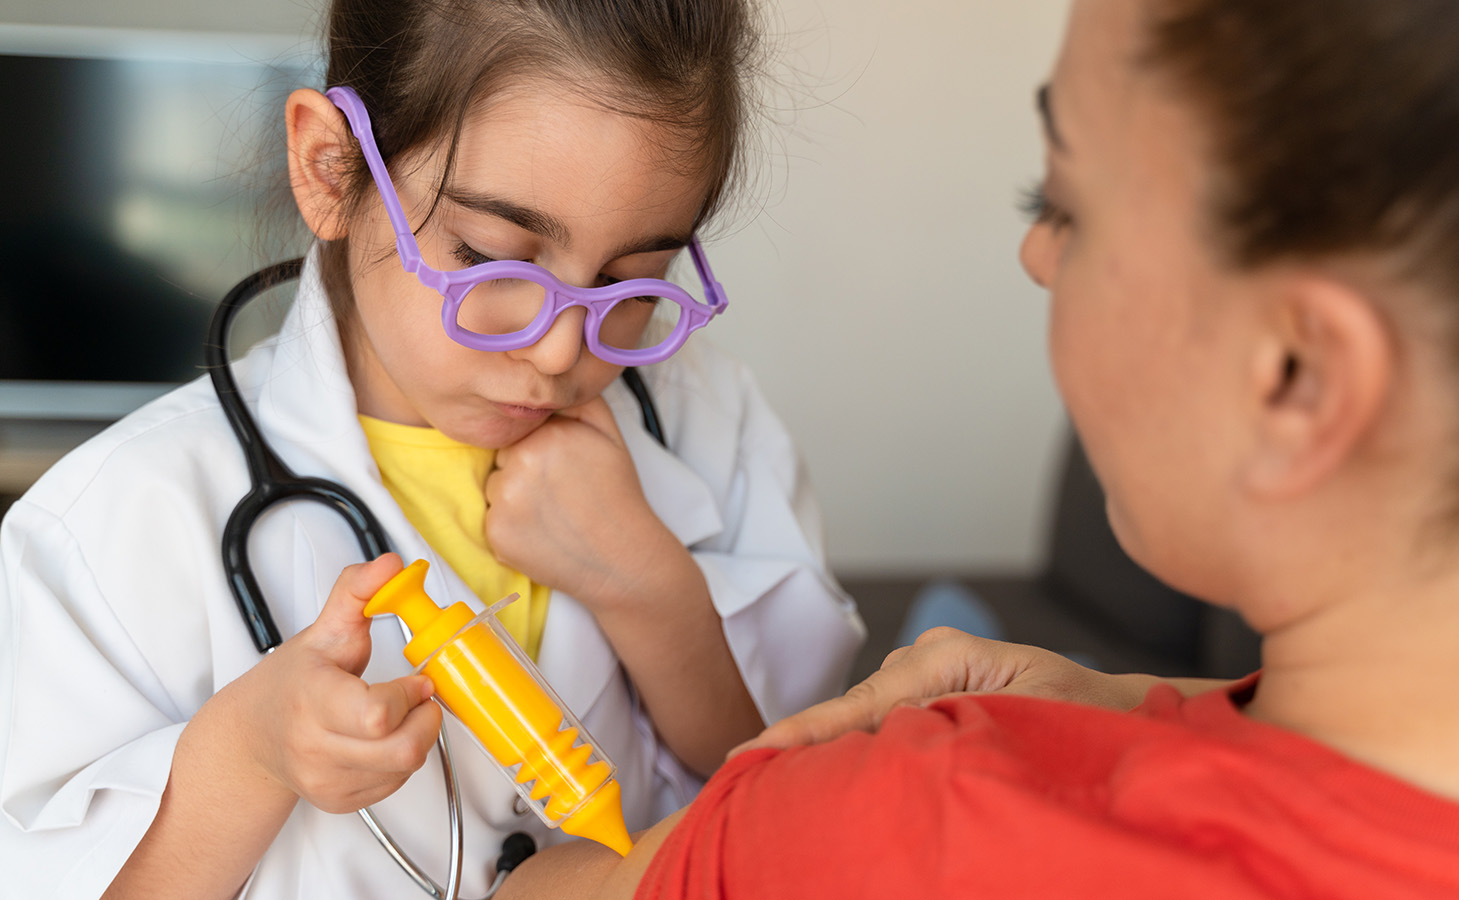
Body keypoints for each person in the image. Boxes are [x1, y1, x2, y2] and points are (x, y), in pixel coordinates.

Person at [491, 0, 1459, 895]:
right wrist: (1140, 709)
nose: (1033, 253)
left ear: (1296, 379)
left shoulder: (912, 830)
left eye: (1061, 199)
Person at [0, 1, 867, 897]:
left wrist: (650, 592)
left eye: (632, 286)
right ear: (331, 166)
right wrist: (248, 757)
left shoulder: (711, 420)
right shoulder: (111, 521)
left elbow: (797, 797)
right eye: (494, 260)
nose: (561, 350)